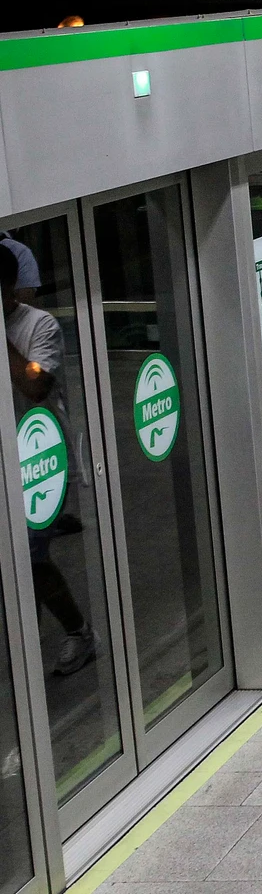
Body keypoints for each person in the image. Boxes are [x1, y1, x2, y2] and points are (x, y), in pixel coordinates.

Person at [2, 246, 92, 675]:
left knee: (31, 559)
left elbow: (35, 387)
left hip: (38, 461)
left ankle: (77, 632)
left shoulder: (39, 325)